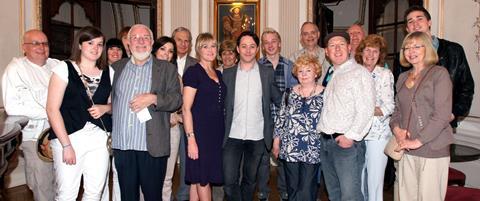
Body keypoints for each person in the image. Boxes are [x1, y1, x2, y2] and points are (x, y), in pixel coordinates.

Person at [110, 24, 182, 201]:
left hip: (152, 146)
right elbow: (109, 101)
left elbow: (177, 100)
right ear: (128, 43)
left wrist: (153, 98)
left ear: (151, 43)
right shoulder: (116, 68)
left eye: (145, 38)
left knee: (152, 196)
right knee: (128, 197)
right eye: (135, 38)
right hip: (123, 146)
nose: (140, 42)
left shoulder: (166, 68)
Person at [46, 26, 113, 200]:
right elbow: (52, 109)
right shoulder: (63, 68)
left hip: (99, 138)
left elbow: (116, 105)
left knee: (95, 191)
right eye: (90, 43)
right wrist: (66, 146)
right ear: (80, 45)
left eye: (99, 44)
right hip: (69, 137)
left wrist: (105, 108)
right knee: (67, 192)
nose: (95, 48)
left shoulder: (109, 72)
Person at [390, 31, 453, 201]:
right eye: (407, 47)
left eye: (417, 46)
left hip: (432, 148)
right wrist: (396, 130)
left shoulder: (439, 74)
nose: (411, 50)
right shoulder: (402, 77)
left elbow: (442, 115)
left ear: (428, 48)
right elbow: (396, 111)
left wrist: (416, 142)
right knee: (405, 197)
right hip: (406, 149)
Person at [222, 31, 282, 201]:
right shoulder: (227, 74)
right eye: (244, 46)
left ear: (257, 49)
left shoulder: (267, 73)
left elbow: (279, 100)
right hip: (232, 135)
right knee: (228, 180)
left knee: (250, 180)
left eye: (252, 47)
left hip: (257, 136)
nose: (248, 50)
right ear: (238, 49)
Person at [316, 32, 375, 201]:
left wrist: (350, 137)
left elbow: (366, 110)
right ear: (326, 52)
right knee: (334, 193)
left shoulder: (359, 73)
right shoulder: (332, 74)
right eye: (332, 46)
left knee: (350, 196)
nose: (337, 49)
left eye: (341, 44)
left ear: (349, 48)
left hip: (346, 145)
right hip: (327, 143)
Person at [393, 5, 474, 129]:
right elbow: (397, 93)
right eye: (410, 21)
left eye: (419, 18)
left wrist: (452, 114)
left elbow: (466, 87)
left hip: (443, 125)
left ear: (429, 22)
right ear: (407, 29)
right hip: (410, 126)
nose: (415, 24)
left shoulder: (453, 51)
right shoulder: (403, 56)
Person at [2, 29, 58, 201]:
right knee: (42, 185)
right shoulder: (16, 69)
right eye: (35, 43)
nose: (41, 47)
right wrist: (51, 112)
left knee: (61, 184)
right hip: (36, 138)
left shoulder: (56, 66)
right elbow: (13, 107)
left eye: (45, 43)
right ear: (24, 47)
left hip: (61, 134)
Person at [272, 54, 324, 201]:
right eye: (300, 71)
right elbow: (281, 119)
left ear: (316, 72)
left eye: (308, 70)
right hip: (290, 149)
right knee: (292, 189)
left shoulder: (325, 94)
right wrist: (276, 143)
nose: (304, 74)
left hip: (312, 149)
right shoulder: (289, 93)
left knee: (307, 190)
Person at [182, 32, 226, 201]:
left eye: (213, 46)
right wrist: (191, 138)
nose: (210, 50)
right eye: (205, 46)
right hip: (199, 133)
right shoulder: (193, 73)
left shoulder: (218, 74)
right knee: (203, 179)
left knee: (197, 178)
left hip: (215, 133)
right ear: (198, 50)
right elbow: (186, 109)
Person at [256, 27, 297, 201]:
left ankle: (284, 192)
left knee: (283, 159)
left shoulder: (290, 66)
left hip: (285, 121)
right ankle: (263, 193)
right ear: (263, 46)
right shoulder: (256, 66)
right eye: (266, 43)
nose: (270, 45)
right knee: (263, 160)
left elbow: (295, 93)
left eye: (273, 41)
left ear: (279, 43)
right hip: (263, 119)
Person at [354, 34, 394, 201]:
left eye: (375, 51)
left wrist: (364, 110)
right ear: (361, 53)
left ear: (380, 54)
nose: (370, 55)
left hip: (378, 135)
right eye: (367, 50)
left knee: (375, 180)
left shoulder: (385, 74)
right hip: (355, 133)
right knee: (358, 178)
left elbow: (389, 106)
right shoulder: (353, 72)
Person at [151, 36, 182, 201]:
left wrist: (177, 116)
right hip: (150, 131)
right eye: (163, 49)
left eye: (170, 51)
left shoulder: (176, 76)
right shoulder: (144, 72)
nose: (166, 54)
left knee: (167, 177)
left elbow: (181, 103)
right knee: (148, 177)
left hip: (171, 131)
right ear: (155, 50)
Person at [172, 26, 198, 201]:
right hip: (167, 120)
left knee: (188, 161)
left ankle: (183, 195)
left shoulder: (196, 64)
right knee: (165, 161)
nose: (183, 43)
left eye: (186, 40)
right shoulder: (161, 60)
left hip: (189, 120)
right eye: (179, 40)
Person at [101, 38, 127, 201]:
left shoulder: (126, 71)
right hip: (102, 125)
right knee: (101, 171)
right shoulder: (98, 71)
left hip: (121, 126)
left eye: (119, 49)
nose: (115, 52)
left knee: (119, 170)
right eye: (111, 49)